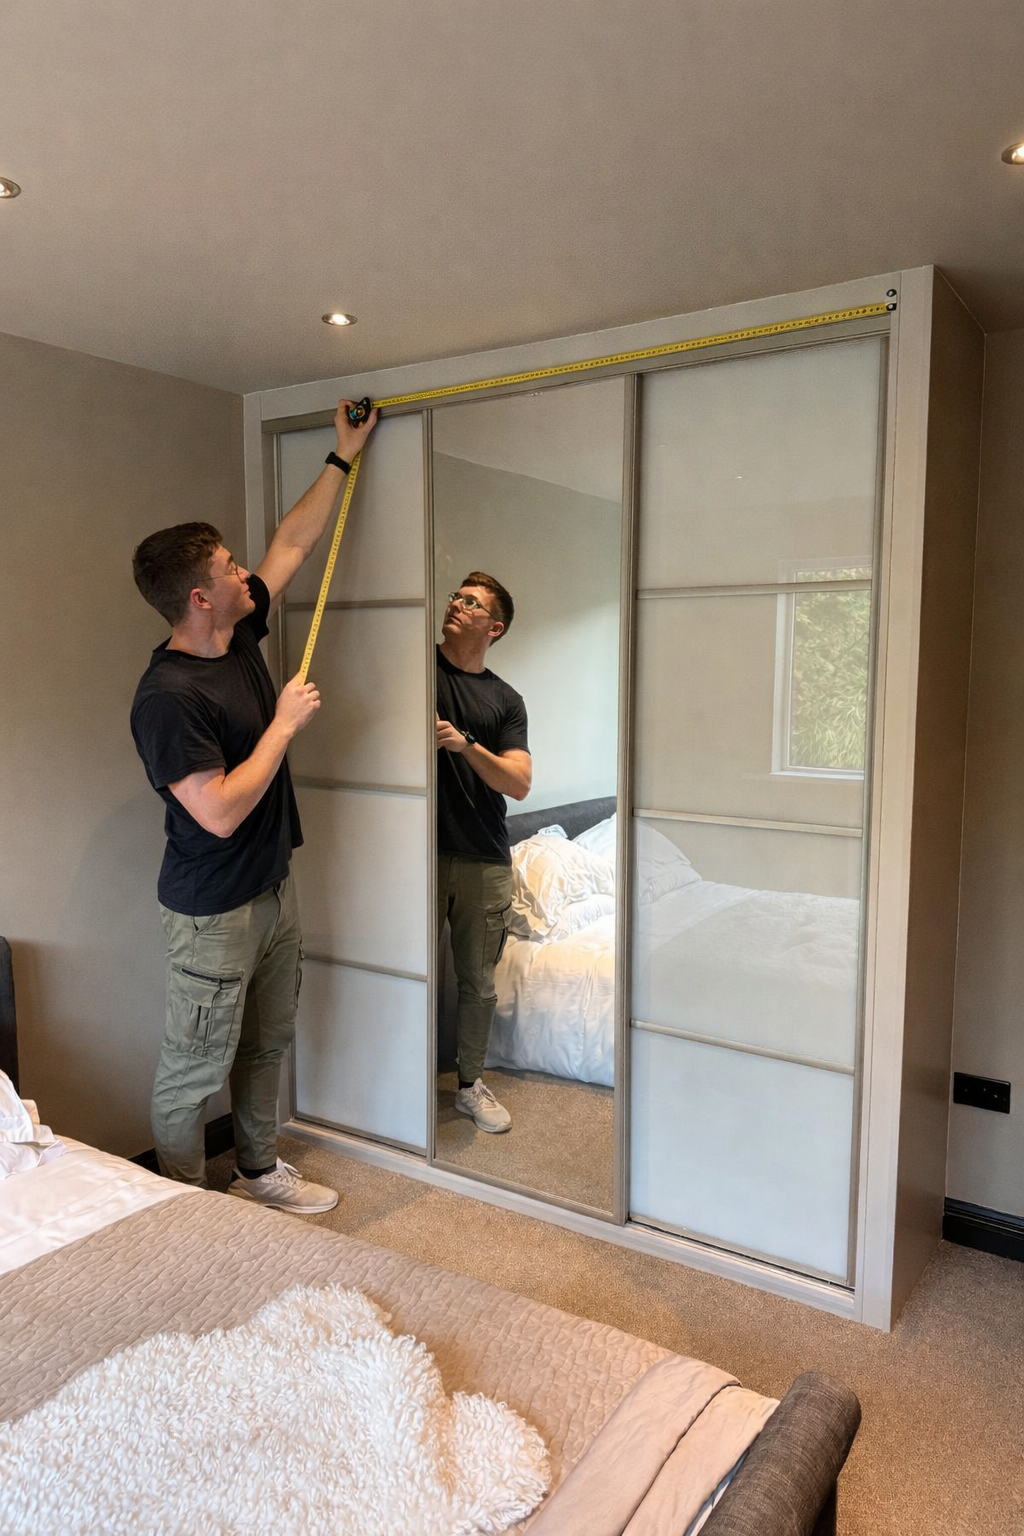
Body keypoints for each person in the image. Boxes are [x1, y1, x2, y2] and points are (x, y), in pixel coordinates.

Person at [130, 399, 377, 1210]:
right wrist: (283, 724)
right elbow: (219, 811)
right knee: (194, 1067)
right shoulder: (167, 699)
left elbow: (294, 543)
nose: (246, 574)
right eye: (230, 569)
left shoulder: (235, 636)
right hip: (212, 909)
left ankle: (259, 1172)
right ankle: (183, 1207)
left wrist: (343, 455)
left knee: (267, 1041)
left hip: (272, 887)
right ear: (200, 598)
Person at [436, 573, 531, 1132]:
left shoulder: (504, 699)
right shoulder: (417, 670)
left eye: (470, 602)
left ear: (493, 627)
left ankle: (469, 1084)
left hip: (483, 855)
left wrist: (465, 745)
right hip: (414, 853)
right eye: (456, 595)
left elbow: (518, 784)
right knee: (408, 972)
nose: (456, 603)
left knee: (477, 981)